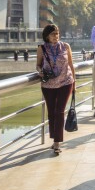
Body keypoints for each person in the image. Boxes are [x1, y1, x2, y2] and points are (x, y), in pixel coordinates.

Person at [36, 24, 76, 155]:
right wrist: (40, 71)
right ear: (47, 35)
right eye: (53, 34)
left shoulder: (65, 46)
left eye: (57, 33)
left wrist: (74, 81)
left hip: (66, 82)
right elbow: (38, 64)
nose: (56, 36)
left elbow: (70, 64)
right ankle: (54, 139)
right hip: (48, 85)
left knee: (59, 111)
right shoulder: (41, 48)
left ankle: (57, 142)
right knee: (52, 112)